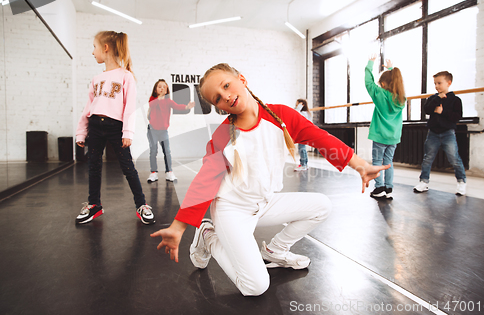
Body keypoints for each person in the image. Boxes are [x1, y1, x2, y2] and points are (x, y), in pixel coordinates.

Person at [150, 63, 389, 296]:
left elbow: (319, 138)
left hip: (263, 204)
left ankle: (276, 250)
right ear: (219, 108)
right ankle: (208, 236)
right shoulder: (223, 134)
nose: (225, 96)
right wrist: (179, 226)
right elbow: (205, 181)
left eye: (226, 85)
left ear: (242, 80)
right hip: (231, 210)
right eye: (218, 98)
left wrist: (359, 165)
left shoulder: (281, 116)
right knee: (255, 286)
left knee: (322, 206)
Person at [75, 31, 155, 225]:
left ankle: (141, 205)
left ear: (105, 48)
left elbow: (129, 107)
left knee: (127, 166)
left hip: (115, 127)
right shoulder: (96, 78)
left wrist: (127, 132)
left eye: (94, 47)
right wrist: (81, 130)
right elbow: (88, 107)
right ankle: (94, 205)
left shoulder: (126, 76)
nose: (92, 52)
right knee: (93, 165)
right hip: (95, 125)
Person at [413, 71, 467, 196]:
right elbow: (426, 109)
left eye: (439, 83)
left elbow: (457, 117)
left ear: (449, 83)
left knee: (454, 158)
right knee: (428, 158)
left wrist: (442, 112)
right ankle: (423, 182)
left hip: (448, 133)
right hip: (433, 133)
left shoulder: (455, 100)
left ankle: (461, 182)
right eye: (435, 83)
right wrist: (437, 98)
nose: (437, 86)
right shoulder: (433, 98)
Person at [365, 56, 406, 199]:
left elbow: (368, 83)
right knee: (388, 162)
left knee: (377, 161)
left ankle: (379, 188)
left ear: (382, 83)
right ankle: (389, 188)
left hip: (380, 135)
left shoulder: (380, 94)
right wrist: (390, 69)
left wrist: (370, 64)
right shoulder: (401, 98)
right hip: (393, 136)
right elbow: (396, 82)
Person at [147, 79, 195, 183]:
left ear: (167, 90)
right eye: (159, 86)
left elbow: (177, 106)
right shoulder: (152, 99)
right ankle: (153, 173)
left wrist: (187, 107)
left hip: (163, 131)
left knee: (167, 152)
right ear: (156, 90)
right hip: (152, 130)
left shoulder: (168, 101)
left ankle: (169, 172)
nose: (162, 88)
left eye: (164, 86)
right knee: (153, 151)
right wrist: (159, 97)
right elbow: (152, 105)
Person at [294, 99, 312, 171]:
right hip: (302, 132)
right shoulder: (305, 113)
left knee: (302, 149)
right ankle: (304, 164)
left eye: (297, 104)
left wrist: (299, 106)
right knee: (302, 148)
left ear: (302, 105)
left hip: (304, 132)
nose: (296, 106)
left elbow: (295, 112)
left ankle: (303, 165)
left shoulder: (304, 113)